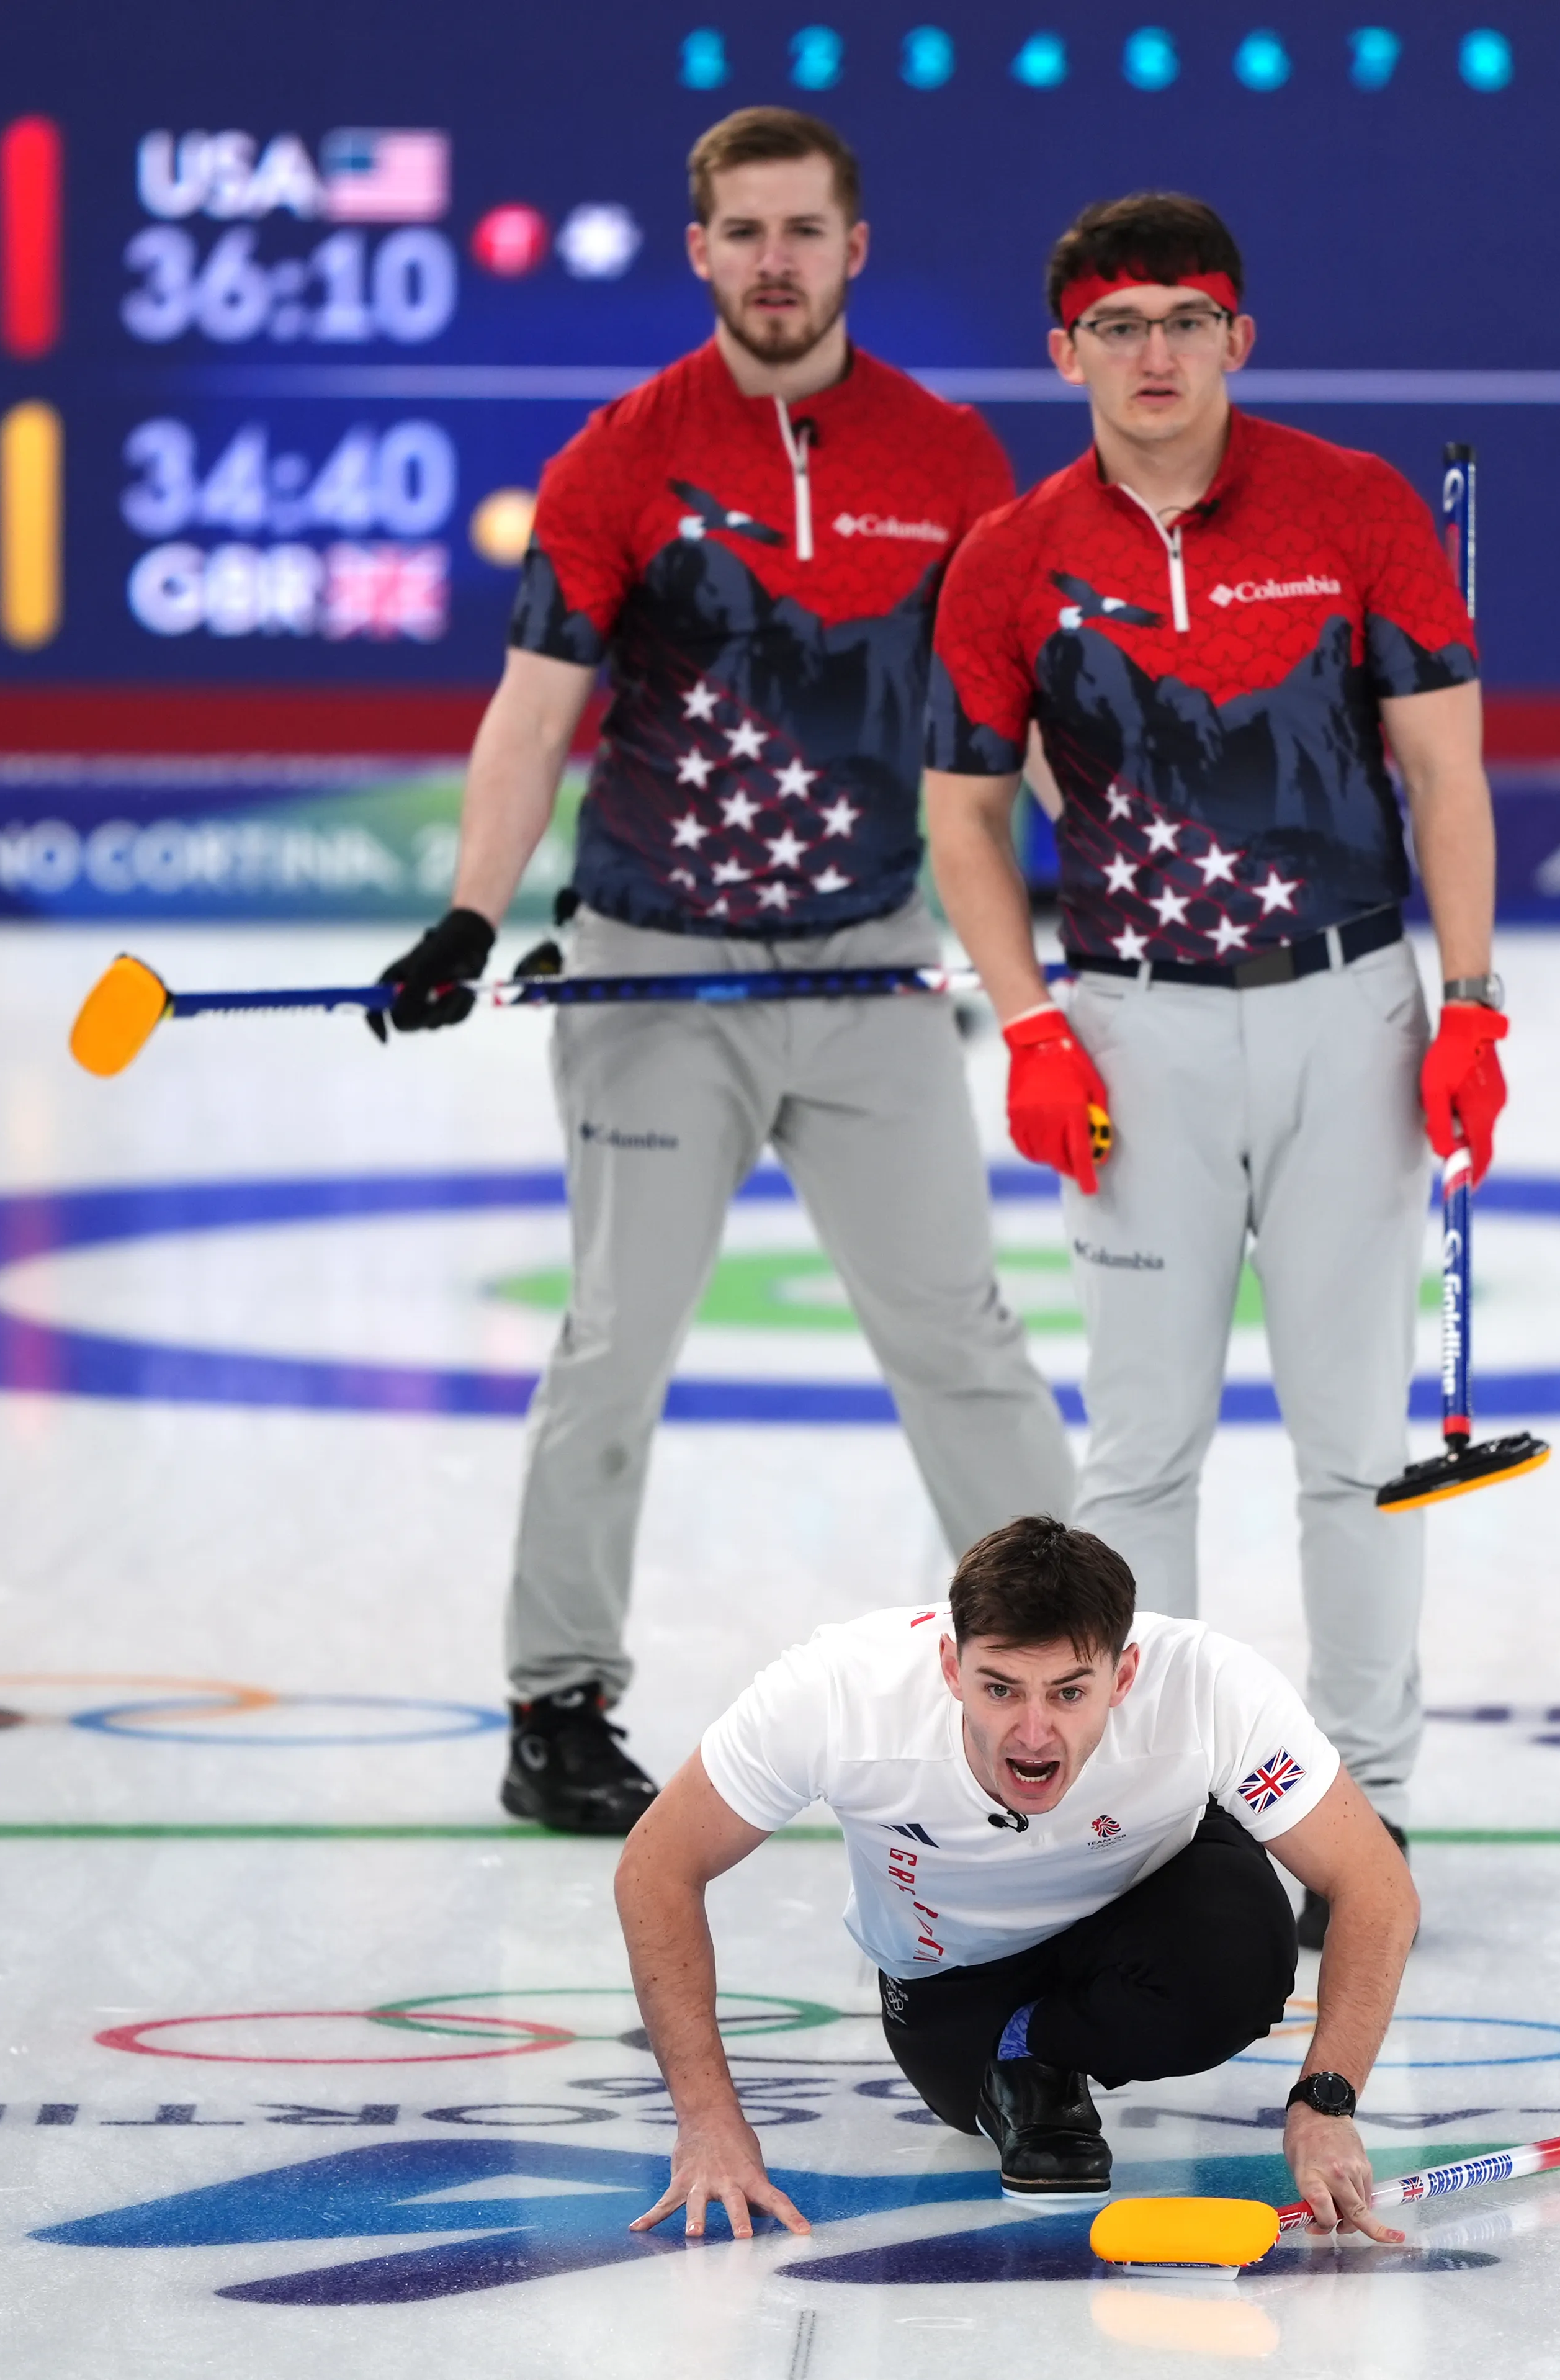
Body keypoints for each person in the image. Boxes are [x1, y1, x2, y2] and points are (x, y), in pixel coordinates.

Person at [369, 109, 1074, 1834]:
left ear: (850, 245)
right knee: (614, 1341)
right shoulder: (621, 460)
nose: (772, 261)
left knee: (962, 1340)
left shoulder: (949, 457)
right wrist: (472, 915)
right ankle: (557, 1703)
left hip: (866, 967)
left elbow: (1017, 716)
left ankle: (1074, 1679)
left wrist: (1119, 888)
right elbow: (534, 713)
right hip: (651, 975)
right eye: (740, 232)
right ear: (698, 252)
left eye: (801, 231)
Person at [923, 192, 1509, 1947]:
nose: (1153, 353)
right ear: (1064, 352)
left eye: (1186, 319)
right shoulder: (1011, 556)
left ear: (1238, 338)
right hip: (1133, 1029)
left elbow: (1446, 779)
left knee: (1353, 1444)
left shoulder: (1354, 510)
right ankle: (1146, 1800)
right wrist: (1027, 1018)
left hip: (1347, 1012)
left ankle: (1367, 1803)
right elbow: (962, 812)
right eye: (1117, 326)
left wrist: (1467, 1002)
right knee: (1141, 1452)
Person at [614, 1515, 1420, 2231]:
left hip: (1145, 1905)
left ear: (1125, 1675)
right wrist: (709, 2120)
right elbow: (657, 1865)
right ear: (949, 1664)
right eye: (999, 1688)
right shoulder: (837, 1691)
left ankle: (1048, 2042)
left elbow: (1374, 1885)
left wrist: (1324, 2101)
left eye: (1070, 1692)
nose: (1033, 1732)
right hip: (953, 1980)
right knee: (957, 2072)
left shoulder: (1211, 1685)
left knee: (1237, 1952)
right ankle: (1015, 2056)